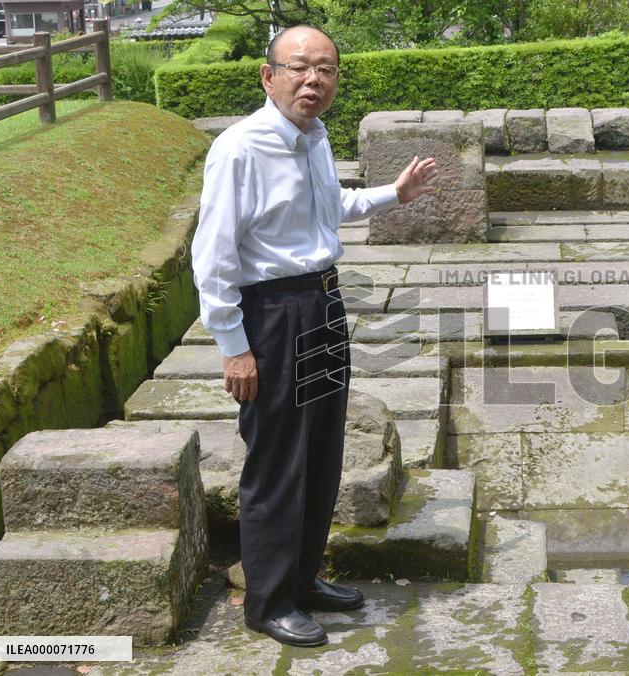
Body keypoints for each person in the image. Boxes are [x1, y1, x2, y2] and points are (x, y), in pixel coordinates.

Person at [191, 25, 437, 648]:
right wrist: (233, 344)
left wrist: (394, 194)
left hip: (322, 302)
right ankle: (267, 600)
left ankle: (303, 578)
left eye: (325, 69)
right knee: (275, 459)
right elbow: (213, 255)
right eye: (299, 67)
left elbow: (331, 209)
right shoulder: (240, 149)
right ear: (268, 76)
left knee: (323, 450)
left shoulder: (313, 138)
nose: (314, 80)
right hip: (270, 314)